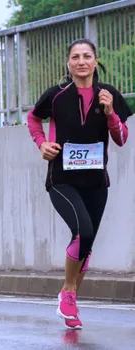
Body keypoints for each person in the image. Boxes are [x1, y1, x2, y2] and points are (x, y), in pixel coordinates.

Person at [27, 38, 132, 330]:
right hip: (61, 179)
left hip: (97, 182)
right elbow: (33, 119)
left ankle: (68, 297)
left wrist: (111, 113)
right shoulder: (57, 95)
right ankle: (69, 293)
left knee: (86, 243)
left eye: (87, 56)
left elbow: (121, 139)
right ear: (69, 63)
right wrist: (41, 144)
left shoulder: (109, 94)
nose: (81, 61)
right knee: (82, 231)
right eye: (75, 57)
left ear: (96, 61)